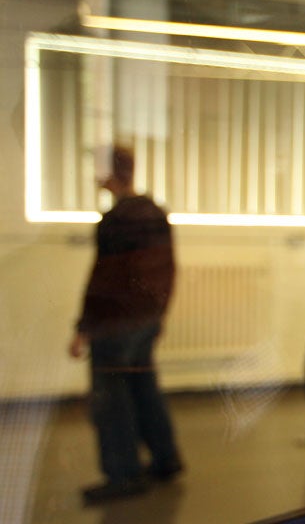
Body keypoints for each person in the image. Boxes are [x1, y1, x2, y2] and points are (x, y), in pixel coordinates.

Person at [69, 145, 184, 504]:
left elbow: (105, 280)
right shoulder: (154, 213)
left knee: (112, 398)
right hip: (144, 320)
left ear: (110, 172)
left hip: (116, 324)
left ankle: (123, 473)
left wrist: (84, 327)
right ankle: (166, 459)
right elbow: (167, 271)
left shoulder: (117, 221)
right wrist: (158, 316)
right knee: (142, 385)